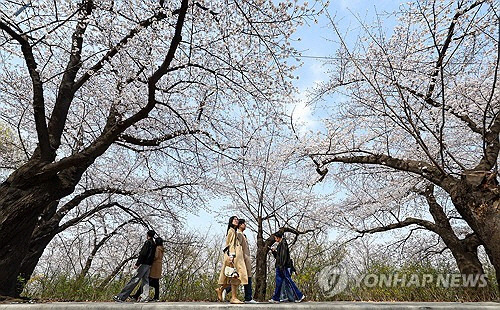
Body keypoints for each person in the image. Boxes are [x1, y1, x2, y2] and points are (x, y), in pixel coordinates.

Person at [113, 229, 156, 302]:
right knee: (145, 280)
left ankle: (121, 296)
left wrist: (137, 264)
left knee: (134, 279)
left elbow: (143, 254)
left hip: (143, 264)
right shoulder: (154, 244)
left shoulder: (147, 242)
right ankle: (145, 297)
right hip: (149, 265)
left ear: (147, 235)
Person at [216, 216, 249, 304]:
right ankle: (233, 298)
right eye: (234, 219)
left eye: (237, 219)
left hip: (236, 256)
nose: (236, 220)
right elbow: (229, 244)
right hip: (233, 257)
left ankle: (221, 289)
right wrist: (231, 255)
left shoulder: (235, 231)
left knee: (231, 277)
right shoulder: (231, 231)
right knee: (235, 276)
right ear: (231, 221)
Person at [222, 219, 257, 303]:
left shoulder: (242, 235)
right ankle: (248, 297)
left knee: (241, 277)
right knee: (245, 277)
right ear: (240, 225)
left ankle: (225, 290)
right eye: (244, 224)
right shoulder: (238, 235)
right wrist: (234, 257)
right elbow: (236, 247)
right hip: (242, 259)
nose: (245, 225)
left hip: (245, 258)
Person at [268, 231, 305, 303]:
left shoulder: (283, 244)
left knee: (289, 281)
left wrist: (282, 266)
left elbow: (284, 257)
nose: (275, 239)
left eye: (275, 238)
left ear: (278, 237)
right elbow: (278, 257)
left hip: (282, 266)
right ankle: (276, 298)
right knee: (279, 283)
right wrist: (274, 252)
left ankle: (299, 296)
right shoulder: (280, 245)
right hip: (279, 266)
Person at [130, 236, 165, 302]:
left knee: (146, 281)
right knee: (156, 282)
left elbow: (155, 256)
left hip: (154, 266)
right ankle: (156, 297)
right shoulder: (162, 249)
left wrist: (150, 258)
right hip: (159, 266)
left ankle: (137, 295)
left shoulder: (157, 248)